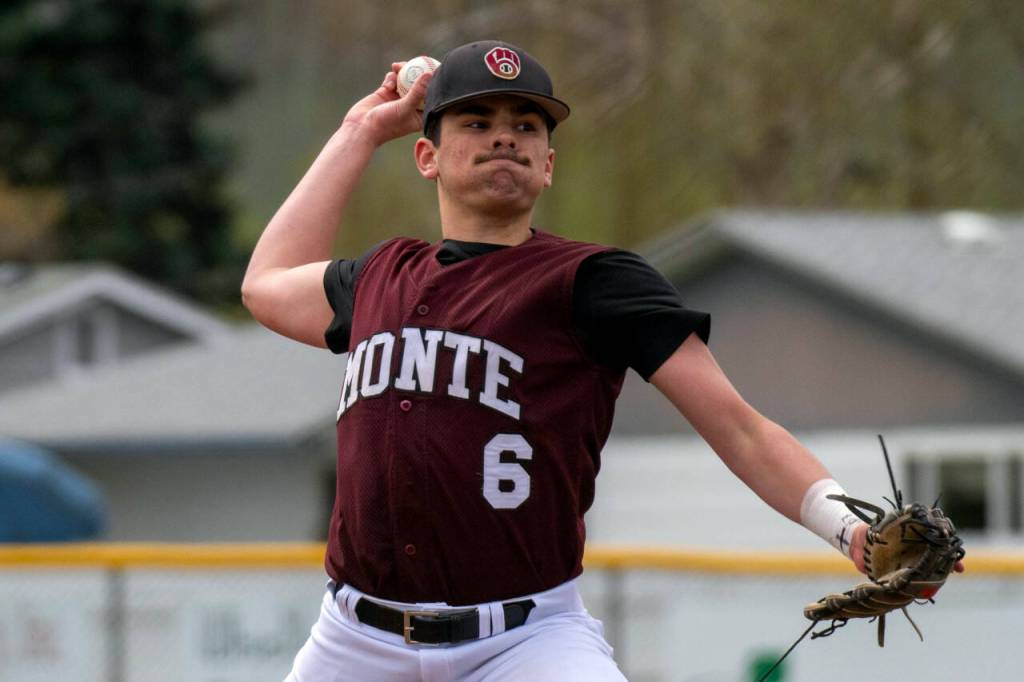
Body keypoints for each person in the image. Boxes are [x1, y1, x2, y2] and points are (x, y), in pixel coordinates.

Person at [243, 40, 874, 682]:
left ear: (548, 164)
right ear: (426, 155)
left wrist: (848, 527)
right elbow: (265, 285)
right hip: (355, 644)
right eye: (477, 121)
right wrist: (360, 130)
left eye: (525, 125)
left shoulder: (594, 281)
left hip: (525, 642)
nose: (505, 138)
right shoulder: (380, 276)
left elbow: (739, 427)